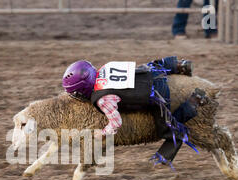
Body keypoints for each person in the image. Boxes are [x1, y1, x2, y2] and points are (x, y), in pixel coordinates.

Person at [62, 57, 209, 168]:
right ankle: (178, 65)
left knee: (168, 130)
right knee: (156, 64)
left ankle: (194, 102)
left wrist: (103, 132)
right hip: (150, 72)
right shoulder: (105, 69)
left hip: (156, 92)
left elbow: (116, 122)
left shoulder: (102, 99)